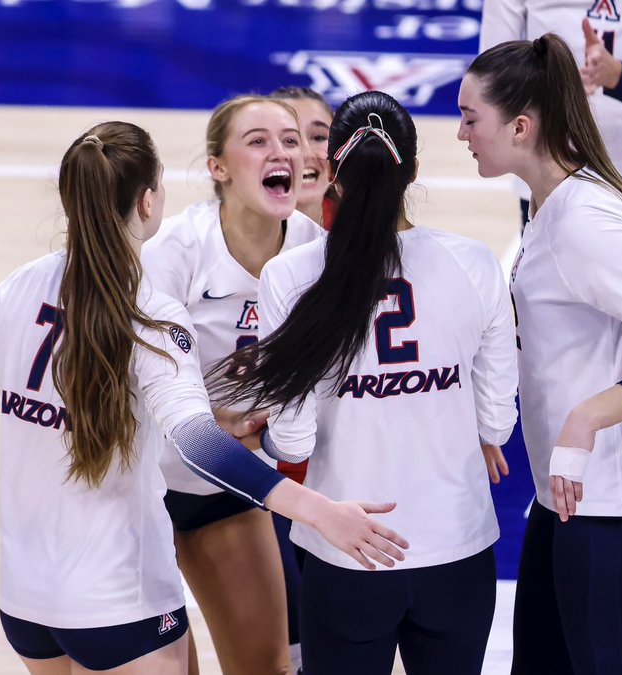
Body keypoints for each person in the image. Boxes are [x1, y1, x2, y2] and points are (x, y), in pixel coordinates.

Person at [0, 120, 408, 675]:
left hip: (27, 606)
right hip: (120, 605)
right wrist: (318, 511)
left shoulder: (16, 290)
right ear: (148, 201)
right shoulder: (151, 317)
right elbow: (200, 446)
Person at [212, 90, 519, 675]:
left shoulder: (291, 275)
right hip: (456, 549)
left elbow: (294, 443)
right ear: (413, 172)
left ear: (329, 173)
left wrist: (264, 440)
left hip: (344, 554)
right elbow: (498, 423)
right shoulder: (474, 263)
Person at [457, 38, 622, 675]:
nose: (461, 133)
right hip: (567, 499)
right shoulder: (552, 203)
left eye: (470, 118)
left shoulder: (585, 218)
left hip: (616, 506)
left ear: (520, 126)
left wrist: (586, 418)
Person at [140, 95, 324, 675]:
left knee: (265, 668)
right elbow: (118, 376)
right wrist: (205, 420)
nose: (282, 152)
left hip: (226, 488)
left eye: (291, 140)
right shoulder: (171, 252)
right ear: (218, 167)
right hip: (135, 489)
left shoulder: (314, 250)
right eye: (259, 140)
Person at [270, 86, 337, 231]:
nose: (306, 153)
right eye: (289, 140)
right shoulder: (222, 234)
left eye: (319, 137)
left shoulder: (367, 229)